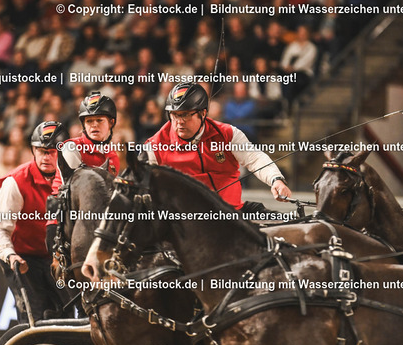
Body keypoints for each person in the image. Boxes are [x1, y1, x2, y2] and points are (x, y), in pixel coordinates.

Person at [144, 83, 291, 212]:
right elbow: (141, 183)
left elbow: (255, 159)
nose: (179, 121)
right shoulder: (154, 146)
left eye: (185, 114)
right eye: (174, 115)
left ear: (203, 113)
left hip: (232, 214)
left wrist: (276, 179)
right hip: (184, 221)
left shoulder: (228, 134)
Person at [0, 121, 70, 323]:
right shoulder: (15, 182)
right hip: (20, 255)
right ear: (33, 151)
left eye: (51, 152)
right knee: (34, 314)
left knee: (66, 311)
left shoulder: (71, 180)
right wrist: (10, 255)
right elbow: (0, 229)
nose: (46, 157)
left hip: (53, 256)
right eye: (41, 151)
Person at [46, 91, 121, 256]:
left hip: (96, 218)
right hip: (64, 220)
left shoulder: (113, 156)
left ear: (111, 122)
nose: (94, 125)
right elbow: (79, 190)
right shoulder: (71, 147)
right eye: (89, 121)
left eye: (99, 120)